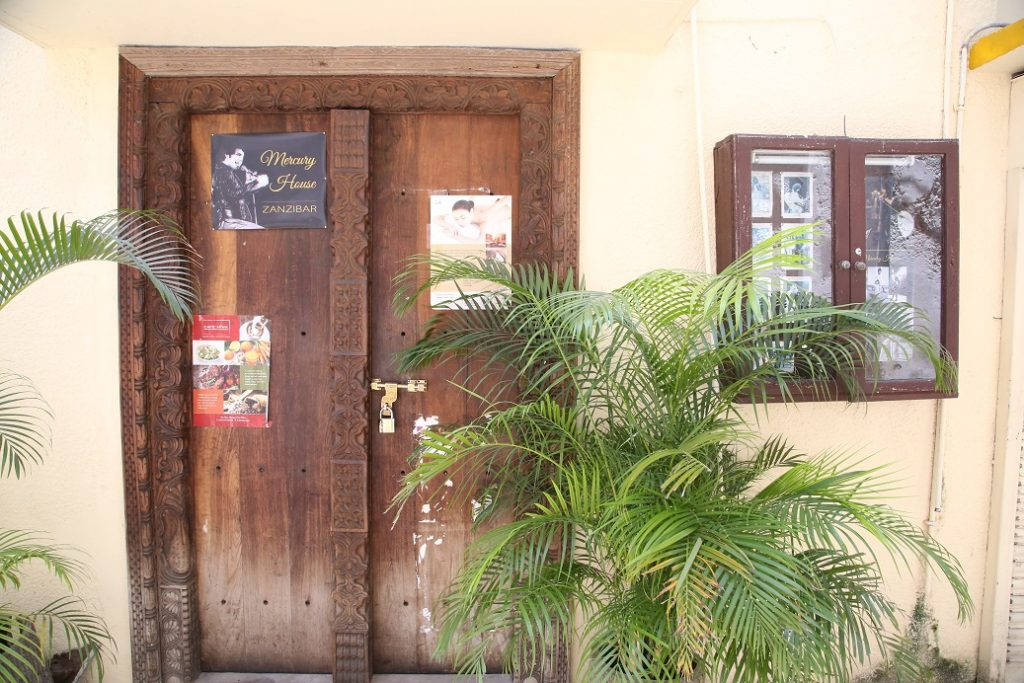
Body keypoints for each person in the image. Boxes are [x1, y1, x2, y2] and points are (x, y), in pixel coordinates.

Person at [212, 147, 269, 229]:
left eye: (242, 157)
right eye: (238, 154)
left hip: (234, 221)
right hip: (229, 221)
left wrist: (251, 184)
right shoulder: (223, 171)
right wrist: (256, 184)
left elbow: (235, 193)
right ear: (227, 155)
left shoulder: (227, 171)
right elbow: (234, 194)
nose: (241, 159)